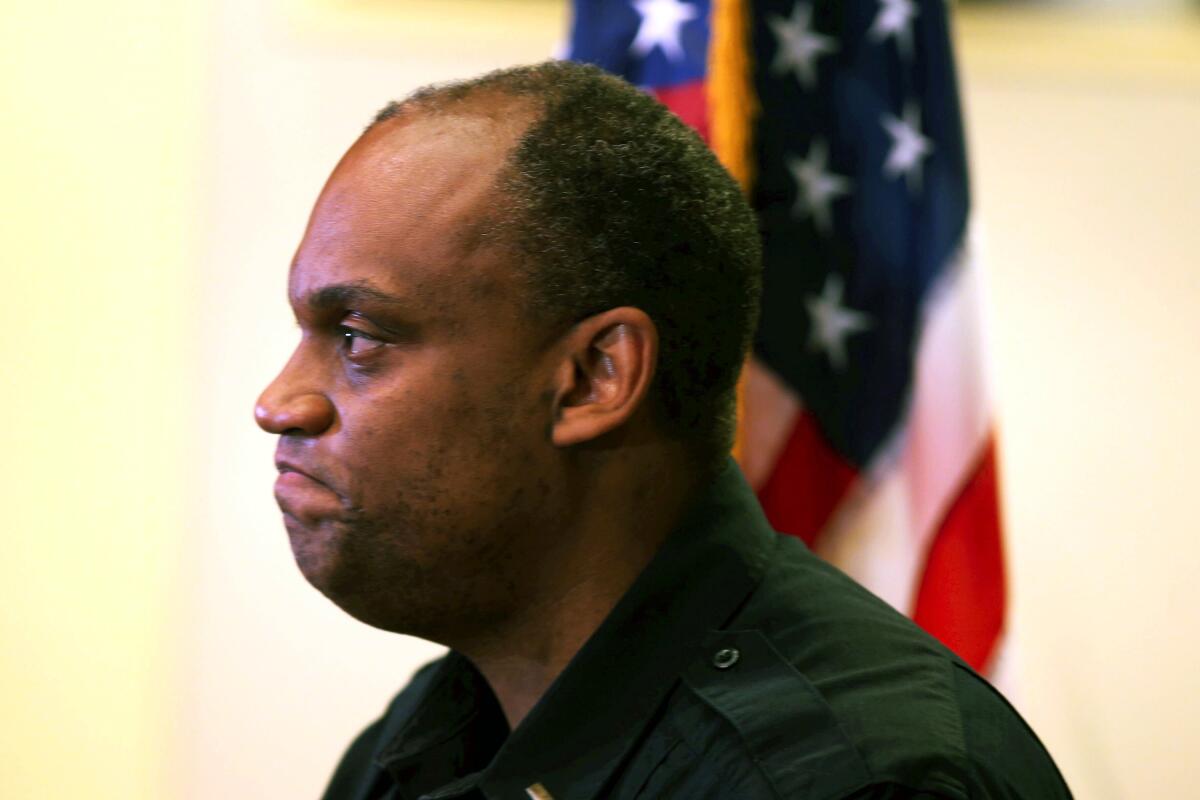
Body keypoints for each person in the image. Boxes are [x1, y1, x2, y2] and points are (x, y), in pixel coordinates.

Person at [254, 61, 1071, 800]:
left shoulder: (854, 781)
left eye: (359, 336)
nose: (279, 402)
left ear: (593, 378)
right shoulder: (419, 745)